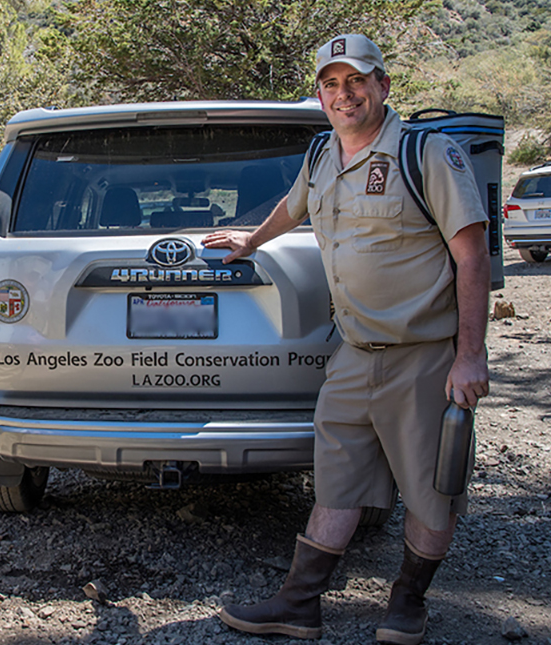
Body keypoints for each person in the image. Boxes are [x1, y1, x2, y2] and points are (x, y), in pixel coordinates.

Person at [204, 34, 490, 644]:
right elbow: (294, 205)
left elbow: (472, 257)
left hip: (425, 359)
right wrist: (251, 240)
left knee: (431, 492)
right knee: (337, 481)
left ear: (383, 85)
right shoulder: (320, 154)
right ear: (320, 94)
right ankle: (299, 604)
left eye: (357, 80)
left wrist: (470, 355)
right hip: (354, 356)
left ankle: (408, 602)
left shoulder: (428, 154)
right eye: (331, 83)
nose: (345, 93)